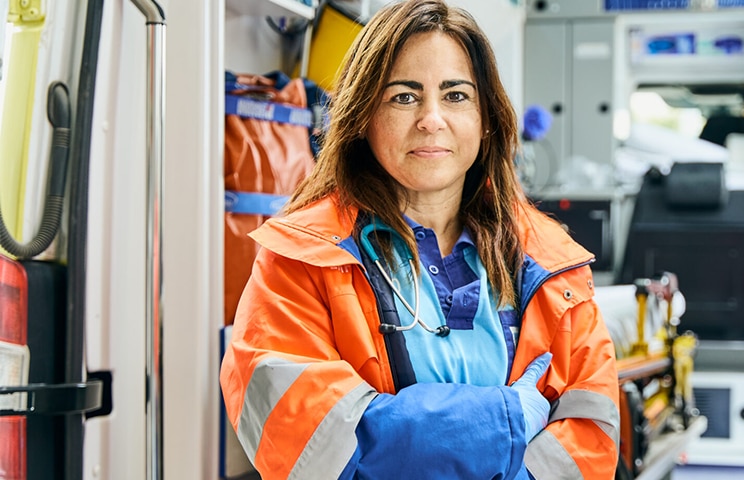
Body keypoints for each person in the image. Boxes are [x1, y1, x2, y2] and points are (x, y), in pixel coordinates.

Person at [219, 1, 621, 479]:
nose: (431, 118)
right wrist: (505, 423)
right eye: (404, 97)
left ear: (486, 118)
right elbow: (304, 439)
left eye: (455, 96)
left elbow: (592, 437)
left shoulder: (554, 263)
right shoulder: (299, 258)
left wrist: (396, 430)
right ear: (364, 116)